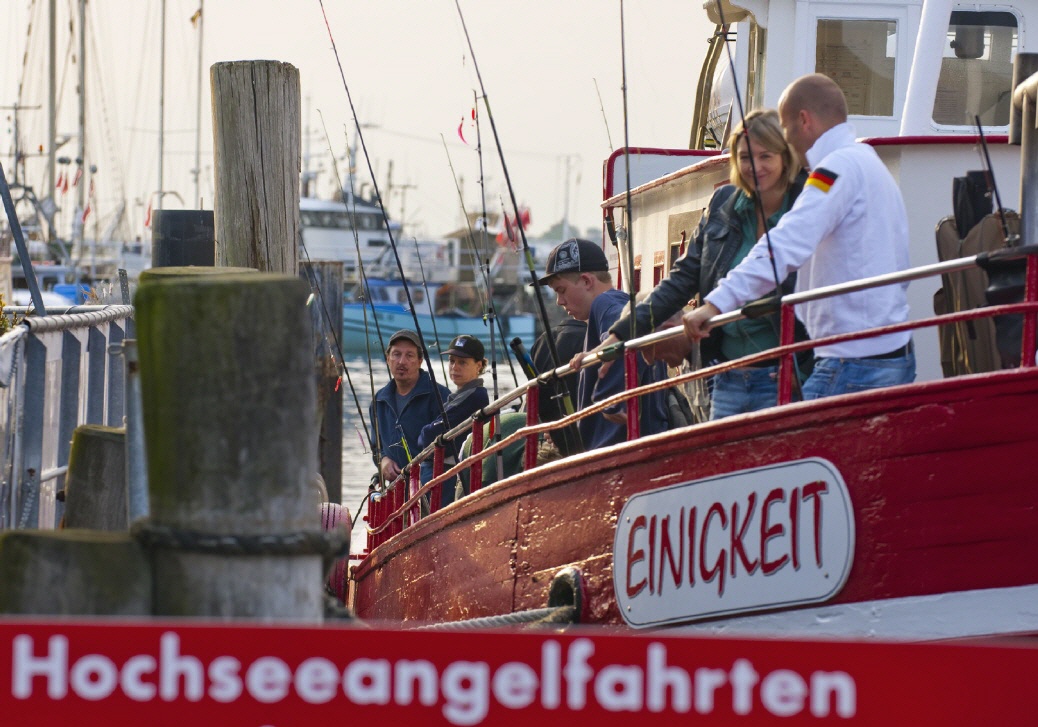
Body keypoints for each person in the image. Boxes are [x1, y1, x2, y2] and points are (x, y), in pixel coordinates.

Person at [683, 74, 915, 399]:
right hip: (891, 351)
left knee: (795, 448)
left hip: (853, 361)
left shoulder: (832, 171)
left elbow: (786, 243)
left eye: (786, 127)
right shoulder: (869, 163)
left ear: (803, 120)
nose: (787, 139)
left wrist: (715, 305)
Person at [591, 109, 809, 419]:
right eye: (745, 157)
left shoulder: (809, 203)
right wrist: (619, 334)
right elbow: (682, 279)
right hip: (728, 377)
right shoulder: (724, 206)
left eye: (766, 156)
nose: (755, 167)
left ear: (785, 157)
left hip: (790, 375)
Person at [538, 238, 668, 450]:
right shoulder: (623, 306)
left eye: (561, 290)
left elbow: (626, 341)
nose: (559, 301)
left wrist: (613, 401)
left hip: (620, 451)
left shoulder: (606, 304)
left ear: (587, 281)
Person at [369, 329, 451, 484]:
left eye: (409, 355)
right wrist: (383, 461)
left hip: (429, 487)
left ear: (420, 361)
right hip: (395, 489)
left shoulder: (440, 396)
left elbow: (450, 447)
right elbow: (376, 448)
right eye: (396, 354)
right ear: (388, 359)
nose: (401, 361)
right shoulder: (379, 401)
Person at [417, 334, 490, 507]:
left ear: (478, 365)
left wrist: (425, 433)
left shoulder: (474, 397)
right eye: (451, 361)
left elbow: (427, 437)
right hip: (441, 478)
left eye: (462, 362)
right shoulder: (460, 395)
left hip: (448, 481)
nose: (454, 367)